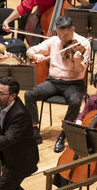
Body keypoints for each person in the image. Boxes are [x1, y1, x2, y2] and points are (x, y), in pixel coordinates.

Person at [24, 16, 90, 151]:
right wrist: (35, 55)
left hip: (74, 83)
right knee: (29, 94)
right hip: (53, 81)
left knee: (75, 102)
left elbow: (79, 70)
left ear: (73, 29)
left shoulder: (83, 44)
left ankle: (63, 134)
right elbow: (30, 50)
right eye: (60, 35)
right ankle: (34, 128)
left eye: (65, 35)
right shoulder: (54, 40)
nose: (63, 39)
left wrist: (77, 60)